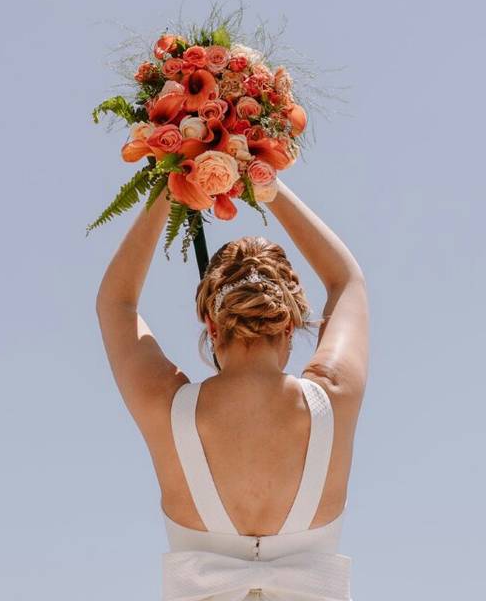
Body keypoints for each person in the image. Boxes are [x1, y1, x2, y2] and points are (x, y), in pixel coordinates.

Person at [94, 177, 368, 600]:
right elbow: (346, 281)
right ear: (291, 325)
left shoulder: (166, 407)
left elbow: (116, 302)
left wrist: (175, 182)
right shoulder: (336, 395)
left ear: (212, 327)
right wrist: (266, 181)